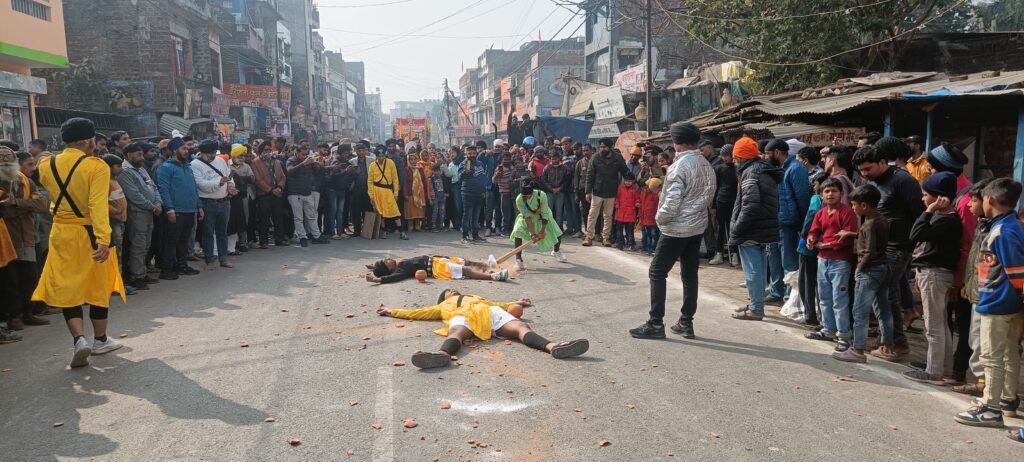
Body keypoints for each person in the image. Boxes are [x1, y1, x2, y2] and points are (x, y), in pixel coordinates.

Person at [32, 118, 126, 368]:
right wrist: (103, 239)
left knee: (67, 285)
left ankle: (78, 340)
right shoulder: (96, 166)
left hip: (62, 232)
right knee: (97, 285)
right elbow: (97, 206)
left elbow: (54, 196)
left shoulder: (46, 163)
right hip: (89, 232)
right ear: (87, 140)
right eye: (94, 139)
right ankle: (101, 340)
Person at [630, 122, 715, 339]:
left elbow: (672, 201)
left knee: (657, 272)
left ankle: (655, 323)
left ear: (677, 143)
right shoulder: (706, 164)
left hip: (676, 228)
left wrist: (660, 218)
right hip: (697, 227)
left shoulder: (680, 166)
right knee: (689, 274)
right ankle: (686, 322)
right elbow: (708, 195)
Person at [954, 178, 1024, 428]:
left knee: (992, 356)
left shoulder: (1003, 230)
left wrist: (1014, 296)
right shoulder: (1008, 226)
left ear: (991, 200)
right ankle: (1006, 400)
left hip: (998, 302)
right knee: (1007, 353)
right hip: (1005, 301)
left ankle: (991, 407)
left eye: (981, 198)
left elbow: (1016, 272)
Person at [376, 289, 588, 369]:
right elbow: (417, 312)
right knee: (456, 332)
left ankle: (554, 347)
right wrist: (391, 310)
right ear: (444, 298)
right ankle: (442, 355)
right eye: (447, 291)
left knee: (520, 327)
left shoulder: (477, 297)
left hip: (491, 314)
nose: (452, 289)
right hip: (465, 317)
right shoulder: (443, 306)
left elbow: (500, 303)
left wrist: (517, 302)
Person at [853, 140, 924, 359]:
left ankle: (896, 343)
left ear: (883, 162)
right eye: (861, 171)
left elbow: (919, 213)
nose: (865, 174)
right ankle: (890, 340)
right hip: (878, 248)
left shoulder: (903, 180)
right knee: (884, 296)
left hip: (897, 248)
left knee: (886, 296)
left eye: (868, 168)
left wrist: (914, 244)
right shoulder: (872, 184)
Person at [903, 171, 962, 384]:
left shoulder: (946, 220)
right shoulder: (944, 218)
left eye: (926, 195)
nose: (922, 198)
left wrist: (928, 211)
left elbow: (915, 234)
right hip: (934, 273)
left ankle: (934, 371)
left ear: (939, 198)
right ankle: (943, 368)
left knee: (934, 325)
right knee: (941, 324)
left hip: (935, 273)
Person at [832, 184, 890, 363]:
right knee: (883, 309)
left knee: (860, 312)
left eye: (855, 205)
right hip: (883, 267)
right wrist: (853, 234)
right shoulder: (881, 219)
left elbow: (869, 252)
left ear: (864, 206)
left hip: (869, 270)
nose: (853, 208)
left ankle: (857, 349)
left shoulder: (869, 225)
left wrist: (859, 269)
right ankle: (888, 345)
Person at [728, 136, 782, 322]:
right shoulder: (763, 170)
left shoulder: (750, 174)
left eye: (735, 157)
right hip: (764, 227)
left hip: (751, 228)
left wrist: (737, 228)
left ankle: (756, 308)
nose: (734, 161)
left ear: (741, 157)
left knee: (753, 271)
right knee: (759, 268)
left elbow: (750, 205)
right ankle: (754, 303)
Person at [0, 148, 49, 330]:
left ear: (14, 160)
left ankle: (29, 313)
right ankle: (14, 316)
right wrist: (21, 207)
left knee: (29, 277)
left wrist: (17, 203)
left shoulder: (26, 181)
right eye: (1, 158)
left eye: (8, 157)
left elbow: (41, 205)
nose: (5, 160)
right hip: (6, 239)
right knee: (10, 280)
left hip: (27, 237)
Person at [805, 177, 857, 347]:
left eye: (834, 191)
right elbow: (814, 230)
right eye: (826, 191)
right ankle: (828, 329)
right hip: (822, 260)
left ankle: (843, 334)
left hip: (840, 261)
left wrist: (824, 244)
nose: (830, 194)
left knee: (839, 299)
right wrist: (811, 239)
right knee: (824, 298)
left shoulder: (847, 212)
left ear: (841, 194)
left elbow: (847, 238)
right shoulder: (821, 213)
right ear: (821, 195)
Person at [951, 179, 991, 397]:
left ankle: (991, 391)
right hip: (976, 291)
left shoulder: (1000, 229)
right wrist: (967, 283)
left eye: (973, 201)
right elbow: (975, 260)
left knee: (987, 344)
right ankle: (982, 383)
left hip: (990, 297)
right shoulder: (982, 225)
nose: (968, 205)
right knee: (975, 338)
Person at [156, 136, 201, 280]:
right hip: (176, 210)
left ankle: (182, 265)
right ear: (175, 151)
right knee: (171, 240)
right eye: (184, 148)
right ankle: (167, 269)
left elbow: (194, 188)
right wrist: (169, 209)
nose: (187, 151)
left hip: (190, 209)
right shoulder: (166, 168)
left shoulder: (187, 167)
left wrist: (199, 206)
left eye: (187, 148)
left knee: (184, 240)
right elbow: (164, 190)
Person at [119, 143, 162, 289]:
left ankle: (142, 272)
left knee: (146, 245)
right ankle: (136, 276)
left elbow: (153, 187)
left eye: (141, 155)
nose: (141, 158)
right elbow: (134, 195)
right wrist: (152, 206)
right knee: (138, 245)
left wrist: (158, 202)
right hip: (137, 213)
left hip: (149, 212)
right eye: (138, 155)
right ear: (128, 155)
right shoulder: (125, 171)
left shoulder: (141, 169)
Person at [191, 140, 236, 267]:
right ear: (202, 153)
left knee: (223, 232)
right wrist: (219, 183)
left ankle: (223, 258)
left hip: (224, 201)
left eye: (214, 153)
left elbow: (228, 176)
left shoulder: (220, 161)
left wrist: (231, 185)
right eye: (210, 153)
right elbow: (200, 184)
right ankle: (210, 259)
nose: (212, 155)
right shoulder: (194, 165)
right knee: (208, 232)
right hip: (207, 203)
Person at [584, 138, 632, 247]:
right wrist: (588, 192)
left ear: (610, 148)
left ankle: (606, 237)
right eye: (601, 147)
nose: (602, 149)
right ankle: (589, 236)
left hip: (611, 192)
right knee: (592, 215)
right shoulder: (595, 157)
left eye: (604, 147)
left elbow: (625, 171)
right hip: (597, 191)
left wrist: (632, 178)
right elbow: (590, 175)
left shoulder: (618, 158)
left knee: (608, 216)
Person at [509, 179, 566, 269]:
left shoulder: (541, 195)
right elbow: (527, 217)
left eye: (529, 195)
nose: (527, 197)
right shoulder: (519, 199)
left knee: (557, 232)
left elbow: (545, 213)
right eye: (525, 196)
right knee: (517, 231)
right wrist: (533, 234)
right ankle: (518, 260)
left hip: (542, 216)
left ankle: (556, 251)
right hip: (528, 217)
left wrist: (542, 231)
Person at [286, 144, 329, 246]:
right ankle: (302, 238)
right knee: (298, 217)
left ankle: (316, 236)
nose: (305, 156)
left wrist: (319, 164)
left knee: (312, 216)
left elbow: (318, 172)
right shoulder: (291, 160)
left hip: (307, 192)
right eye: (302, 154)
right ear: (297, 153)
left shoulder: (310, 161)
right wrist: (303, 164)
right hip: (295, 193)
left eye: (306, 154)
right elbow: (290, 171)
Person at [364, 255, 508, 284]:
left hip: (437, 260)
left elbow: (385, 270)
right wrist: (378, 279)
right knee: (465, 270)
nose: (389, 258)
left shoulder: (398, 264)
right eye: (386, 261)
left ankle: (489, 266)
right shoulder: (400, 270)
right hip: (437, 268)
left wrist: (373, 266)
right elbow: (394, 277)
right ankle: (494, 277)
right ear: (388, 267)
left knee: (464, 260)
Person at [449, 144, 488, 243]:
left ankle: (475, 235)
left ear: (476, 153)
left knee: (476, 216)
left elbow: (483, 177)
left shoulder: (480, 163)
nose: (472, 155)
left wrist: (484, 191)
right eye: (469, 153)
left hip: (479, 193)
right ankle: (464, 236)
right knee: (467, 215)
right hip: (467, 193)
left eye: (474, 153)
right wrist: (466, 170)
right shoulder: (463, 163)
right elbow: (460, 177)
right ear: (466, 154)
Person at [252, 140, 287, 248]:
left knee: (278, 217)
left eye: (269, 150)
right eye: (266, 150)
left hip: (277, 193)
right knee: (264, 218)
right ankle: (263, 241)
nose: (268, 152)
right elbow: (258, 180)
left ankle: (279, 239)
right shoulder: (255, 162)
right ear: (261, 151)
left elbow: (283, 177)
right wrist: (271, 190)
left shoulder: (276, 162)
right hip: (264, 194)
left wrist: (280, 187)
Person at [708, 144, 737, 266]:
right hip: (721, 201)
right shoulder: (719, 168)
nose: (725, 158)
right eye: (723, 155)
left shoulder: (738, 168)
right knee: (720, 229)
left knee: (733, 228)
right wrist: (713, 205)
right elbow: (715, 187)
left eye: (727, 155)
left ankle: (735, 254)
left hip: (734, 202)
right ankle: (719, 253)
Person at [227, 144, 254, 251]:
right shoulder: (227, 165)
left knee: (244, 219)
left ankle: (243, 242)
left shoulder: (246, 166)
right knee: (231, 220)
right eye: (240, 155)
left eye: (244, 155)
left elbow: (252, 179)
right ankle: (233, 243)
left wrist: (237, 178)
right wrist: (240, 180)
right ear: (234, 155)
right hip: (230, 197)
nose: (243, 158)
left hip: (243, 196)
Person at [402, 153, 431, 231]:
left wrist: (425, 193)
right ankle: (410, 227)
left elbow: (424, 181)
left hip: (419, 193)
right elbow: (404, 182)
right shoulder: (406, 169)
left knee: (418, 210)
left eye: (415, 159)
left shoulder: (420, 169)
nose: (413, 161)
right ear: (408, 160)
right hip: (410, 193)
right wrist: (405, 194)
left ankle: (418, 226)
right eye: (411, 159)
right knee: (410, 211)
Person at [572, 143, 594, 238]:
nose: (585, 152)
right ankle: (587, 231)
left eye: (587, 150)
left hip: (595, 190)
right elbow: (576, 179)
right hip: (582, 191)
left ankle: (596, 232)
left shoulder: (596, 161)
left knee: (594, 212)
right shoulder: (580, 163)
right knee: (585, 212)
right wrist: (576, 193)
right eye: (584, 150)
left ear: (591, 150)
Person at [613, 177, 640, 251]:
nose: (628, 183)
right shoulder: (620, 188)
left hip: (630, 213)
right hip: (620, 213)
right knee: (619, 230)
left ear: (633, 182)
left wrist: (637, 202)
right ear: (624, 181)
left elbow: (637, 198)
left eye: (630, 181)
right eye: (626, 181)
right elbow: (617, 197)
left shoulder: (635, 189)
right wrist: (616, 203)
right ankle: (620, 243)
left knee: (630, 230)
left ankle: (631, 244)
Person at [639, 178, 661, 256]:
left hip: (653, 218)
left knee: (654, 235)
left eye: (647, 187)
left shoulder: (656, 194)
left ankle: (653, 249)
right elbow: (642, 205)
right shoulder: (643, 193)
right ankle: (649, 248)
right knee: (648, 235)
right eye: (644, 188)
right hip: (645, 218)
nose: (646, 189)